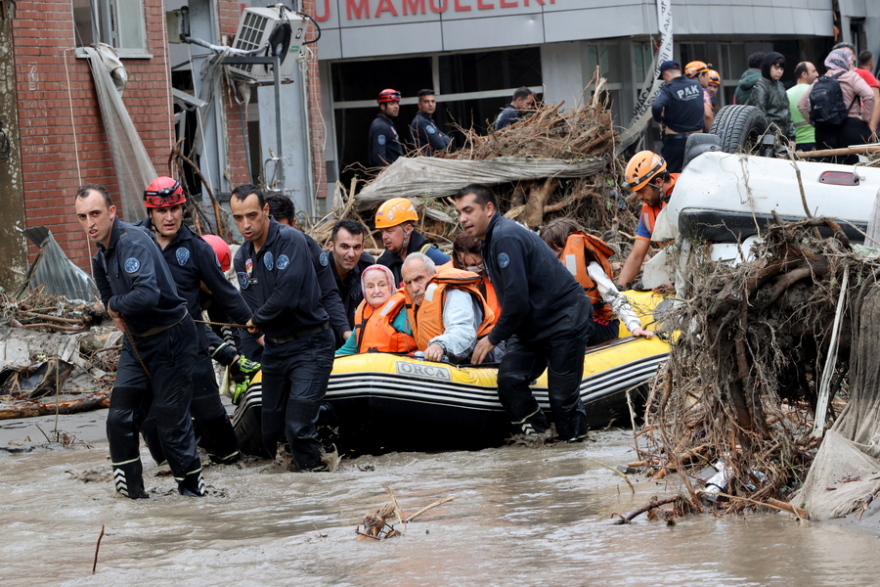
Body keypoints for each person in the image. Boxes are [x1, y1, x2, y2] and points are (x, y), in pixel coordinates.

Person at [74, 184, 204, 498]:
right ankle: (133, 498)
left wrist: (116, 306)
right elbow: (107, 294)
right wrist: (112, 306)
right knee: (119, 418)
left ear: (112, 212)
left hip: (172, 338)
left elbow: (148, 294)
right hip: (137, 344)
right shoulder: (100, 255)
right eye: (82, 217)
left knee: (170, 425)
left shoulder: (132, 243)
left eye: (95, 213)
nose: (90, 222)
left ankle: (193, 495)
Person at [454, 184, 592, 441]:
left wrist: (493, 338)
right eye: (459, 212)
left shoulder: (505, 236)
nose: (463, 218)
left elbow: (517, 301)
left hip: (563, 319)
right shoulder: (488, 241)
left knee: (563, 399)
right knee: (509, 380)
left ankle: (574, 452)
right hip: (530, 326)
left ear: (488, 209)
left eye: (468, 210)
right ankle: (540, 438)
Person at [136, 177, 254, 466]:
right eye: (162, 211)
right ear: (149, 211)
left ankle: (231, 463)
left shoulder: (196, 248)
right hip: (147, 348)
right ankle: (169, 468)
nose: (169, 217)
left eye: (175, 209)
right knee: (148, 418)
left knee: (210, 413)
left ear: (182, 209)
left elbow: (227, 295)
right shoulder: (133, 241)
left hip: (189, 346)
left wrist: (255, 326)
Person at [231, 184, 335, 471]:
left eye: (251, 215)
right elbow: (250, 301)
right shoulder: (242, 257)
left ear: (266, 210)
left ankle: (316, 482)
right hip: (276, 349)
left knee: (298, 428)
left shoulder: (291, 241)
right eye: (238, 218)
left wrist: (258, 319)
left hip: (310, 344)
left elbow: (286, 294)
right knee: (270, 431)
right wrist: (253, 324)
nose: (245, 224)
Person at [539, 218, 655, 345]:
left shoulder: (591, 267)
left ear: (568, 247)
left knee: (564, 325)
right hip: (574, 321)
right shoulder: (551, 271)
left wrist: (634, 326)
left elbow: (615, 297)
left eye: (555, 250)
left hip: (602, 325)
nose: (552, 256)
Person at [265, 193, 350, 348]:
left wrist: (345, 332)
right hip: (269, 339)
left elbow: (328, 294)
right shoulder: (250, 254)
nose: (276, 236)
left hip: (308, 338)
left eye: (281, 228)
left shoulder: (310, 247)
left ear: (293, 224)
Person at [401, 253, 495, 364]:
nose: (414, 288)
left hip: (479, 358)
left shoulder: (455, 294)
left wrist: (440, 345)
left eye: (419, 279)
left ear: (433, 274)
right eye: (408, 283)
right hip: (438, 362)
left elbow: (462, 331)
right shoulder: (414, 301)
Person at [797, 48, 874, 165]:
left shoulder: (820, 81)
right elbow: (869, 95)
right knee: (860, 168)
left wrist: (815, 123)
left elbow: (801, 105)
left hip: (824, 133)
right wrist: (865, 117)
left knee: (830, 170)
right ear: (845, 61)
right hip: (852, 129)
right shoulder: (851, 77)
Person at [616, 151, 677, 289]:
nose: (638, 197)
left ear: (658, 182)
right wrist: (619, 292)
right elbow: (637, 256)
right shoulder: (648, 210)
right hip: (676, 269)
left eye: (641, 191)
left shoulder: (686, 194)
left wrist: (674, 283)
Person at [336, 264, 415, 356]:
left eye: (382, 285)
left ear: (391, 286)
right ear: (364, 290)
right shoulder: (363, 314)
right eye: (370, 286)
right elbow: (347, 350)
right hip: (370, 367)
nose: (376, 291)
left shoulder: (405, 310)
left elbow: (425, 342)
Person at [375, 197, 451, 286]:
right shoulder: (384, 263)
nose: (384, 237)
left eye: (389, 231)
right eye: (382, 232)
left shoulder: (433, 257)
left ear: (408, 229)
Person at [652, 60, 705, 173]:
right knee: (698, 175)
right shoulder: (696, 84)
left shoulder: (668, 88)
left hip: (676, 143)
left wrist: (660, 120)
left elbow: (656, 106)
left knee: (672, 178)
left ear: (666, 74)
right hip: (698, 140)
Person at [325, 219, 376, 329]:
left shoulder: (367, 267)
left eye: (356, 247)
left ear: (363, 248)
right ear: (331, 246)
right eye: (345, 247)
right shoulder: (318, 270)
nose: (351, 254)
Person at [452, 232, 501, 320]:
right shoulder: (444, 276)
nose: (469, 269)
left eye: (475, 264)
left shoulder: (500, 275)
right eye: (463, 264)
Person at [746, 52, 794, 140]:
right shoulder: (761, 87)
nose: (779, 71)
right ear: (768, 67)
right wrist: (768, 138)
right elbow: (760, 117)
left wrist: (791, 137)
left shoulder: (780, 86)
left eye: (781, 68)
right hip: (769, 139)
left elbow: (787, 113)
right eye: (776, 67)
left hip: (784, 137)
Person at [787, 61, 819, 151]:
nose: (817, 74)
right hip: (815, 140)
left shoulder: (786, 94)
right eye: (814, 71)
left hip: (795, 143)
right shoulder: (814, 91)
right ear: (804, 74)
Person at [368, 88, 404, 168]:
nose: (396, 107)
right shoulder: (381, 126)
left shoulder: (387, 124)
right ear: (383, 107)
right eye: (392, 103)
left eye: (397, 103)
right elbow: (379, 159)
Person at [410, 89, 451, 155]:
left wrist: (440, 140)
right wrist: (440, 139)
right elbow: (441, 145)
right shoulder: (421, 122)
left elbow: (448, 140)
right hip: (427, 163)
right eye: (426, 102)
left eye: (433, 101)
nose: (430, 104)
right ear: (419, 105)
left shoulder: (429, 121)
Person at [684, 60, 715, 130]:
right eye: (707, 75)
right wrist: (713, 135)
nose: (708, 78)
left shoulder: (680, 91)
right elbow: (708, 115)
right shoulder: (702, 92)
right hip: (697, 135)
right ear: (700, 77)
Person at [856, 50, 880, 134]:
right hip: (869, 122)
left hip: (856, 120)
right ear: (871, 63)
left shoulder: (853, 74)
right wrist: (872, 126)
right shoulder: (867, 75)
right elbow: (877, 101)